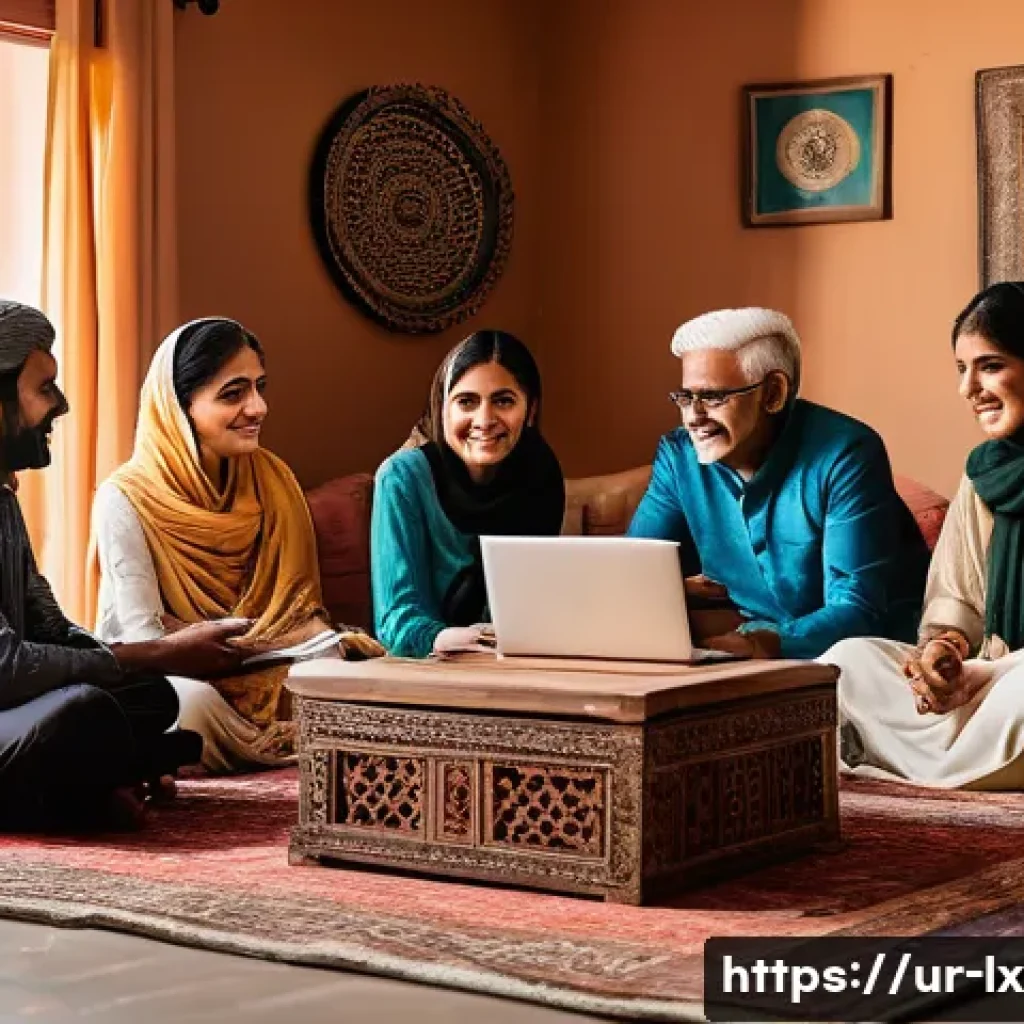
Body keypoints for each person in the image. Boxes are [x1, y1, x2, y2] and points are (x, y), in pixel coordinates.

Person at [0, 301, 262, 830]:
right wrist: (157, 650)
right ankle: (96, 782)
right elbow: (5, 668)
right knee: (83, 713)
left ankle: (99, 775)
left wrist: (145, 663)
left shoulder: (4, 501)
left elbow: (50, 626)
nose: (63, 405)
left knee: (151, 697)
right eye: (45, 388)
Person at [92, 318, 382, 773]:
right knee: (185, 705)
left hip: (267, 666)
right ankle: (283, 750)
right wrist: (206, 644)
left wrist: (242, 643)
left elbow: (300, 613)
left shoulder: (273, 480)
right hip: (177, 675)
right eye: (233, 394)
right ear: (179, 407)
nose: (258, 407)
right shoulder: (125, 497)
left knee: (341, 670)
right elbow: (145, 637)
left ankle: (233, 754)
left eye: (259, 387)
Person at [628, 307, 928, 660]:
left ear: (773, 393)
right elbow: (634, 573)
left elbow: (857, 609)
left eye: (712, 397)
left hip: (874, 660)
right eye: (685, 397)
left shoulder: (846, 453)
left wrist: (759, 643)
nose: (694, 417)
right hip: (757, 657)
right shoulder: (679, 458)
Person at [826, 282, 1024, 788]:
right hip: (985, 688)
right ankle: (958, 767)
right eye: (962, 369)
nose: (969, 388)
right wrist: (946, 653)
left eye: (991, 365)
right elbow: (957, 600)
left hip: (1012, 686)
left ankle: (892, 761)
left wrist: (991, 675)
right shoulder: (985, 474)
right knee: (846, 662)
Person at [372, 330, 565, 657]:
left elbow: (532, 601)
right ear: (442, 408)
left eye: (503, 401)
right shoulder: (401, 478)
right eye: (466, 402)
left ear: (530, 410)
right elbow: (395, 620)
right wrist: (444, 639)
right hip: (426, 668)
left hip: (513, 664)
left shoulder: (540, 473)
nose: (484, 420)